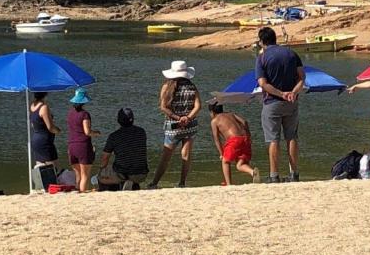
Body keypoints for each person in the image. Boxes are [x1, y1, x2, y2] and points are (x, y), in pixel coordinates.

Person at [255, 26, 305, 183]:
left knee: (273, 139)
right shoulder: (291, 53)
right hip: (291, 102)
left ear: (262, 41)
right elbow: (302, 77)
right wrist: (293, 92)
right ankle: (294, 174)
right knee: (292, 137)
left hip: (272, 103)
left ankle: (274, 175)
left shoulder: (262, 58)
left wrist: (280, 93)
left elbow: (263, 83)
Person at [150, 60, 203, 188]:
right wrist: (187, 118)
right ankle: (182, 183)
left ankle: (154, 183)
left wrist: (177, 118)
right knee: (186, 155)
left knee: (166, 157)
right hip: (190, 126)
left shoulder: (166, 87)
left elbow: (163, 107)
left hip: (173, 127)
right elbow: (198, 106)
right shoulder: (192, 86)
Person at [99, 108, 150, 190]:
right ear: (133, 119)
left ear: (118, 120)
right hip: (141, 173)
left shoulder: (114, 136)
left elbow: (105, 158)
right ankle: (133, 185)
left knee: (102, 176)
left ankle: (119, 187)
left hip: (123, 174)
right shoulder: (141, 132)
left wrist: (101, 169)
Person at [209, 100, 258, 185]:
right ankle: (252, 172)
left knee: (225, 161)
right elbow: (244, 122)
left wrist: (221, 153)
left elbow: (216, 139)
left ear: (212, 112)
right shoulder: (231, 114)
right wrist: (249, 135)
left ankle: (229, 184)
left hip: (234, 140)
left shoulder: (214, 121)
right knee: (240, 165)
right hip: (245, 138)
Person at [66, 88, 98, 192]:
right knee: (85, 176)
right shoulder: (85, 114)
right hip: (83, 146)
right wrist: (96, 133)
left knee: (78, 176)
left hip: (71, 146)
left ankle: (78, 193)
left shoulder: (70, 114)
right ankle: (83, 196)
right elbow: (87, 132)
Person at [28, 91, 59, 189]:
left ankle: (41, 187)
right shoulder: (43, 107)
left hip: (36, 138)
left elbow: (33, 124)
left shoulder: (32, 106)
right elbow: (50, 127)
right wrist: (58, 130)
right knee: (53, 167)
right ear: (45, 95)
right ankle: (52, 188)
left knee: (40, 166)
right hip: (45, 139)